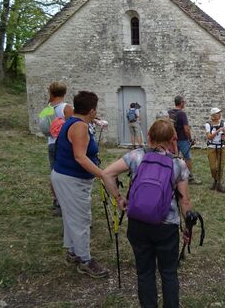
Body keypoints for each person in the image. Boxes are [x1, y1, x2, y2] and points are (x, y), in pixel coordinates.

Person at [102, 118, 193, 308]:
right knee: (168, 273)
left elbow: (107, 174)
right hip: (166, 226)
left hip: (138, 223)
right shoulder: (179, 165)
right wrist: (187, 228)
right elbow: (184, 200)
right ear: (172, 140)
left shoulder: (135, 156)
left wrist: (119, 198)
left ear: (149, 136)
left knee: (144, 272)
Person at [51, 91, 115, 278]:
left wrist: (93, 122)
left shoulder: (73, 120)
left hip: (66, 176)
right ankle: (85, 260)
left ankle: (72, 251)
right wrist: (102, 174)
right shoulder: (79, 127)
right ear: (92, 110)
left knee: (71, 217)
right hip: (71, 179)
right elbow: (80, 157)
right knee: (81, 219)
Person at [46, 81, 73, 216]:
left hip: (51, 143)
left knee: (54, 173)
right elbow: (71, 127)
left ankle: (56, 202)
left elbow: (43, 126)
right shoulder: (66, 108)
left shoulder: (48, 108)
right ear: (64, 93)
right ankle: (65, 202)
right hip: (62, 144)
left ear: (51, 93)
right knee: (66, 173)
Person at [169, 95, 199, 184]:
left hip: (172, 139)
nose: (185, 103)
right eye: (184, 102)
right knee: (188, 158)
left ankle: (172, 175)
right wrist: (190, 139)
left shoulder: (169, 112)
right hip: (182, 139)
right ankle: (190, 178)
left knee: (173, 157)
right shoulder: (182, 114)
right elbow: (186, 129)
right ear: (181, 103)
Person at [205, 107, 225, 193]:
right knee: (213, 167)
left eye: (219, 113)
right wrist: (218, 130)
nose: (220, 114)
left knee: (220, 166)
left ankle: (218, 183)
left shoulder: (223, 123)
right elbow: (209, 137)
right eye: (218, 113)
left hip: (221, 146)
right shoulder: (208, 124)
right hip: (211, 147)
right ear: (213, 115)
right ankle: (215, 180)